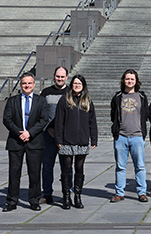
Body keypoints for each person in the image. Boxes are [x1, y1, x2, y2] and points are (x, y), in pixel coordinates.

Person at [2, 72, 50, 212]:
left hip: (34, 141)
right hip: (15, 141)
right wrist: (19, 133)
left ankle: (34, 200)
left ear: (34, 85)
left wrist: (30, 133)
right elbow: (7, 119)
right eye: (24, 83)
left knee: (34, 173)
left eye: (29, 83)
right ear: (21, 85)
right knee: (14, 172)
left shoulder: (41, 101)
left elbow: (44, 120)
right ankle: (11, 201)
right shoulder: (12, 101)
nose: (27, 85)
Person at [54, 75, 98, 209]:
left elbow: (92, 122)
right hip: (67, 141)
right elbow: (59, 121)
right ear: (71, 85)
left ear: (83, 85)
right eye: (75, 83)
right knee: (66, 169)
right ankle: (66, 196)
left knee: (79, 168)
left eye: (79, 83)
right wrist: (58, 139)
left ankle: (77, 196)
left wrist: (94, 138)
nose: (77, 85)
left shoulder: (88, 101)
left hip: (82, 141)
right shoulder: (64, 100)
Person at [110, 69, 149, 203]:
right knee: (120, 166)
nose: (130, 81)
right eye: (127, 79)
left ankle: (142, 192)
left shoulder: (142, 97)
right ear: (123, 80)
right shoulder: (117, 96)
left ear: (136, 81)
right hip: (121, 136)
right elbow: (113, 115)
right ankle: (120, 193)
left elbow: (145, 115)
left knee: (140, 166)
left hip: (137, 136)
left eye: (132, 79)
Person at [40, 66, 69, 205]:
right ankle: (47, 193)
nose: (60, 79)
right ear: (54, 76)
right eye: (58, 76)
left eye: (62, 77)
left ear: (67, 78)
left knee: (67, 167)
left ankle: (67, 193)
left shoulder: (70, 92)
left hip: (65, 137)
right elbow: (41, 113)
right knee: (47, 166)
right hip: (48, 135)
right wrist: (48, 129)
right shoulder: (46, 92)